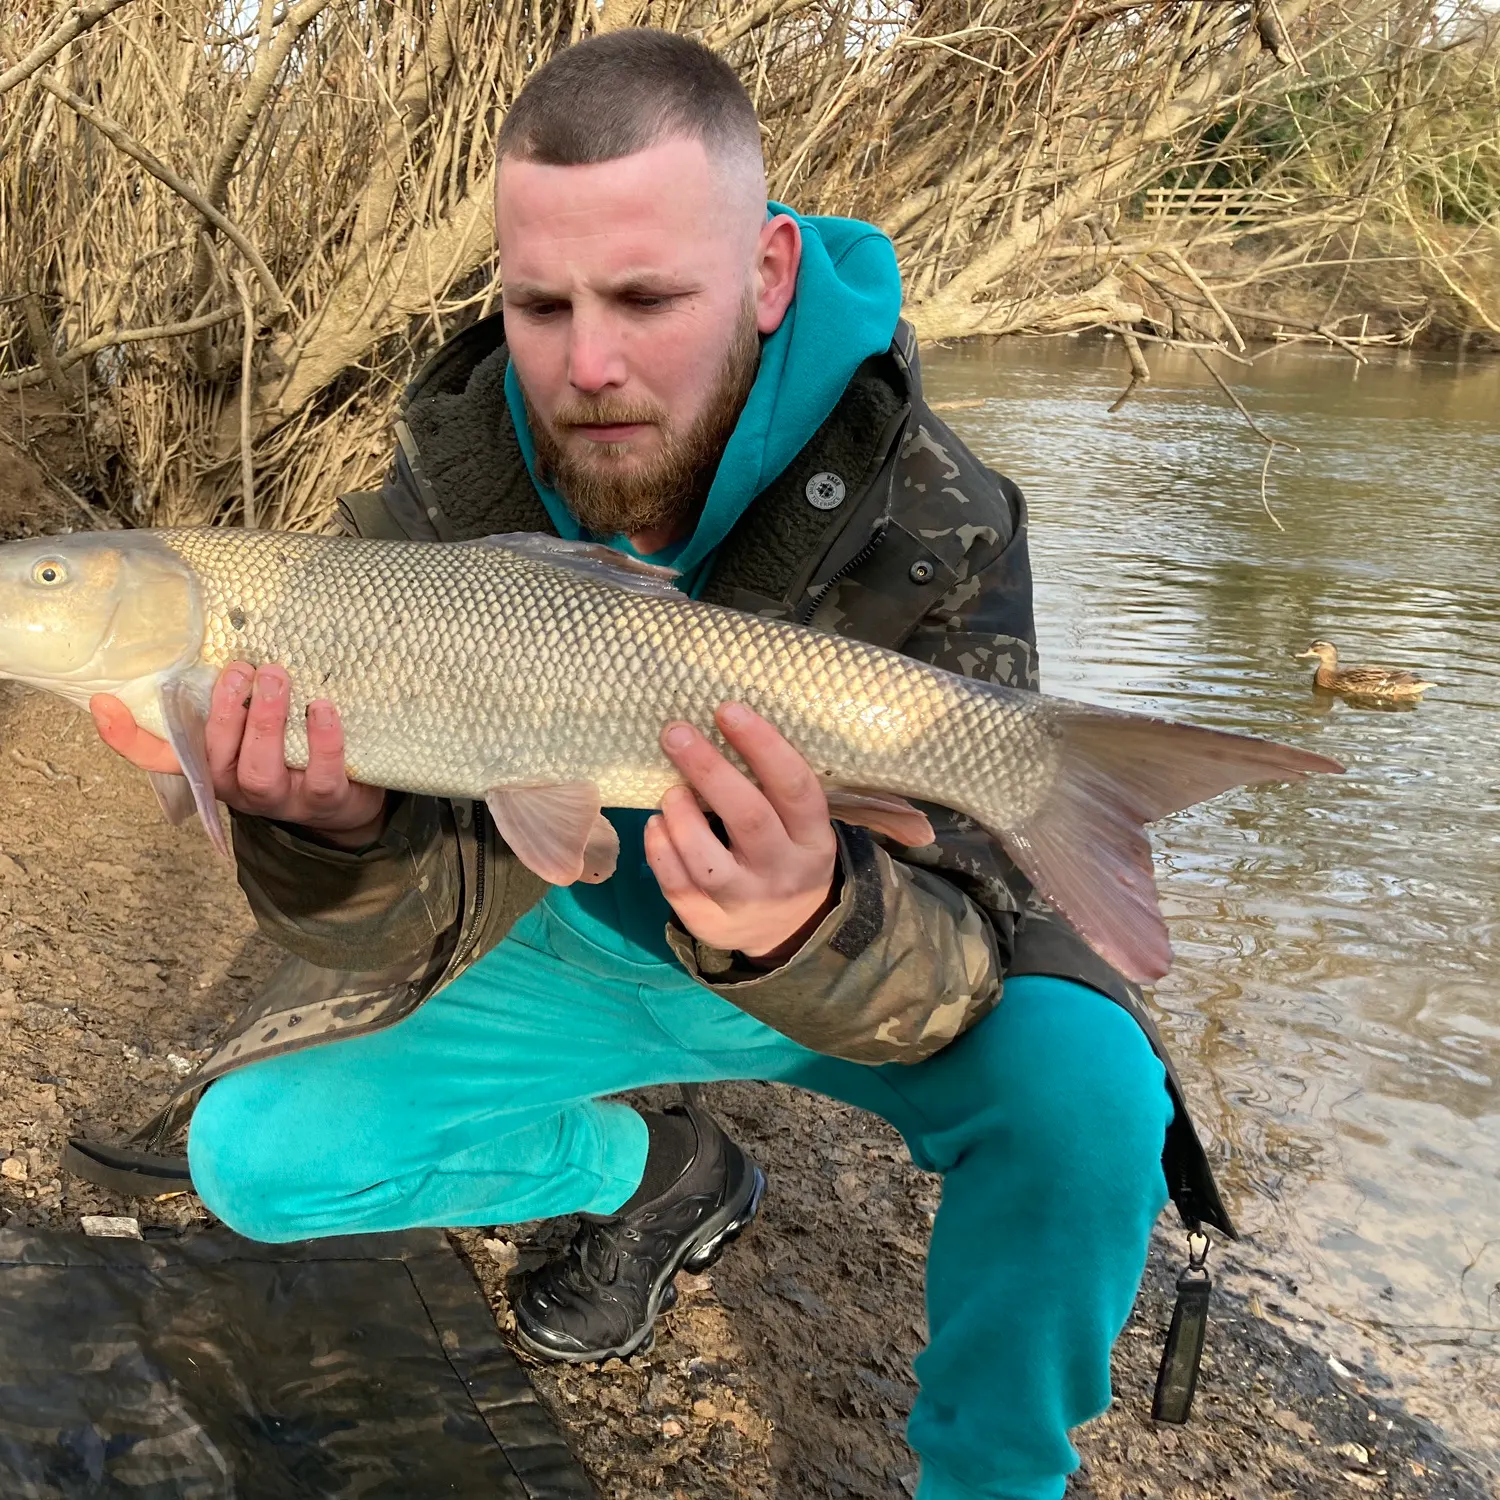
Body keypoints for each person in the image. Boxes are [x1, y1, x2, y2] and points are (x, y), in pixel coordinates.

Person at [92, 30, 1233, 1500]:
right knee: (256, 1160)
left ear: (765, 275)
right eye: (539, 304)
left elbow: (983, 921)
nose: (590, 364)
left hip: (847, 958)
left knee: (1095, 1093)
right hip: (566, 941)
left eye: (645, 298)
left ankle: (996, 1479)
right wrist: (333, 832)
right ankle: (655, 1175)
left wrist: (807, 917)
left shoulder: (935, 505)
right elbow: (394, 920)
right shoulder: (430, 501)